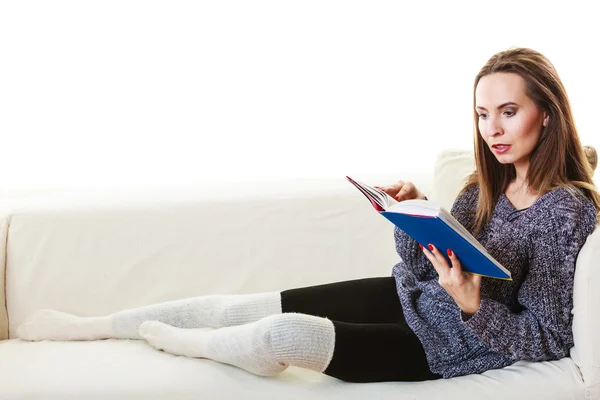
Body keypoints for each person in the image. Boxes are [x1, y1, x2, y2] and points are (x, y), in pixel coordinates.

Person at [17, 47, 600, 383]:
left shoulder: (566, 211)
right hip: (416, 300)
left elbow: (550, 337)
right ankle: (92, 325)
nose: (492, 130)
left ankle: (187, 344)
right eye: (481, 115)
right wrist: (412, 220)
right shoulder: (486, 185)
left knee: (284, 334)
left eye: (507, 112)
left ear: (545, 115)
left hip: (454, 347)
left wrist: (472, 304)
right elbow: (429, 274)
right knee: (247, 304)